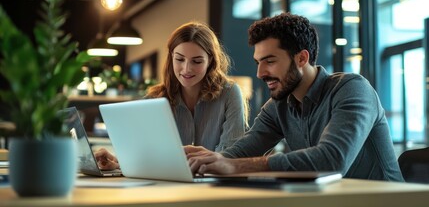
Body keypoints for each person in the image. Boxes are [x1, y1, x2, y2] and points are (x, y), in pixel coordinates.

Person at [185, 12, 404, 182]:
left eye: (269, 61)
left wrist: (235, 166)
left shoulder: (352, 89)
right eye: (258, 62)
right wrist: (211, 160)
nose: (260, 73)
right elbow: (242, 151)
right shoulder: (278, 106)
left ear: (301, 58)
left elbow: (332, 159)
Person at [95, 21, 249, 170]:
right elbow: (144, 155)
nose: (186, 69)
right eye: (180, 59)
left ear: (210, 61)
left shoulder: (229, 93)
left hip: (214, 185)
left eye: (197, 61)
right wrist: (118, 161)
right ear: (171, 58)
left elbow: (230, 156)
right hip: (167, 187)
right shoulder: (154, 99)